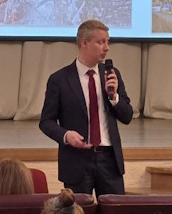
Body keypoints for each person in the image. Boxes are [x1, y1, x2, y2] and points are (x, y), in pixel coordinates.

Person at [40, 20, 133, 195]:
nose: (107, 48)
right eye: (101, 42)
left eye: (107, 42)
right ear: (84, 43)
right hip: (76, 161)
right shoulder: (60, 79)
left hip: (109, 160)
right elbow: (46, 122)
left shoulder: (112, 75)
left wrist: (114, 97)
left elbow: (127, 116)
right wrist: (66, 135)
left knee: (115, 207)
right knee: (78, 207)